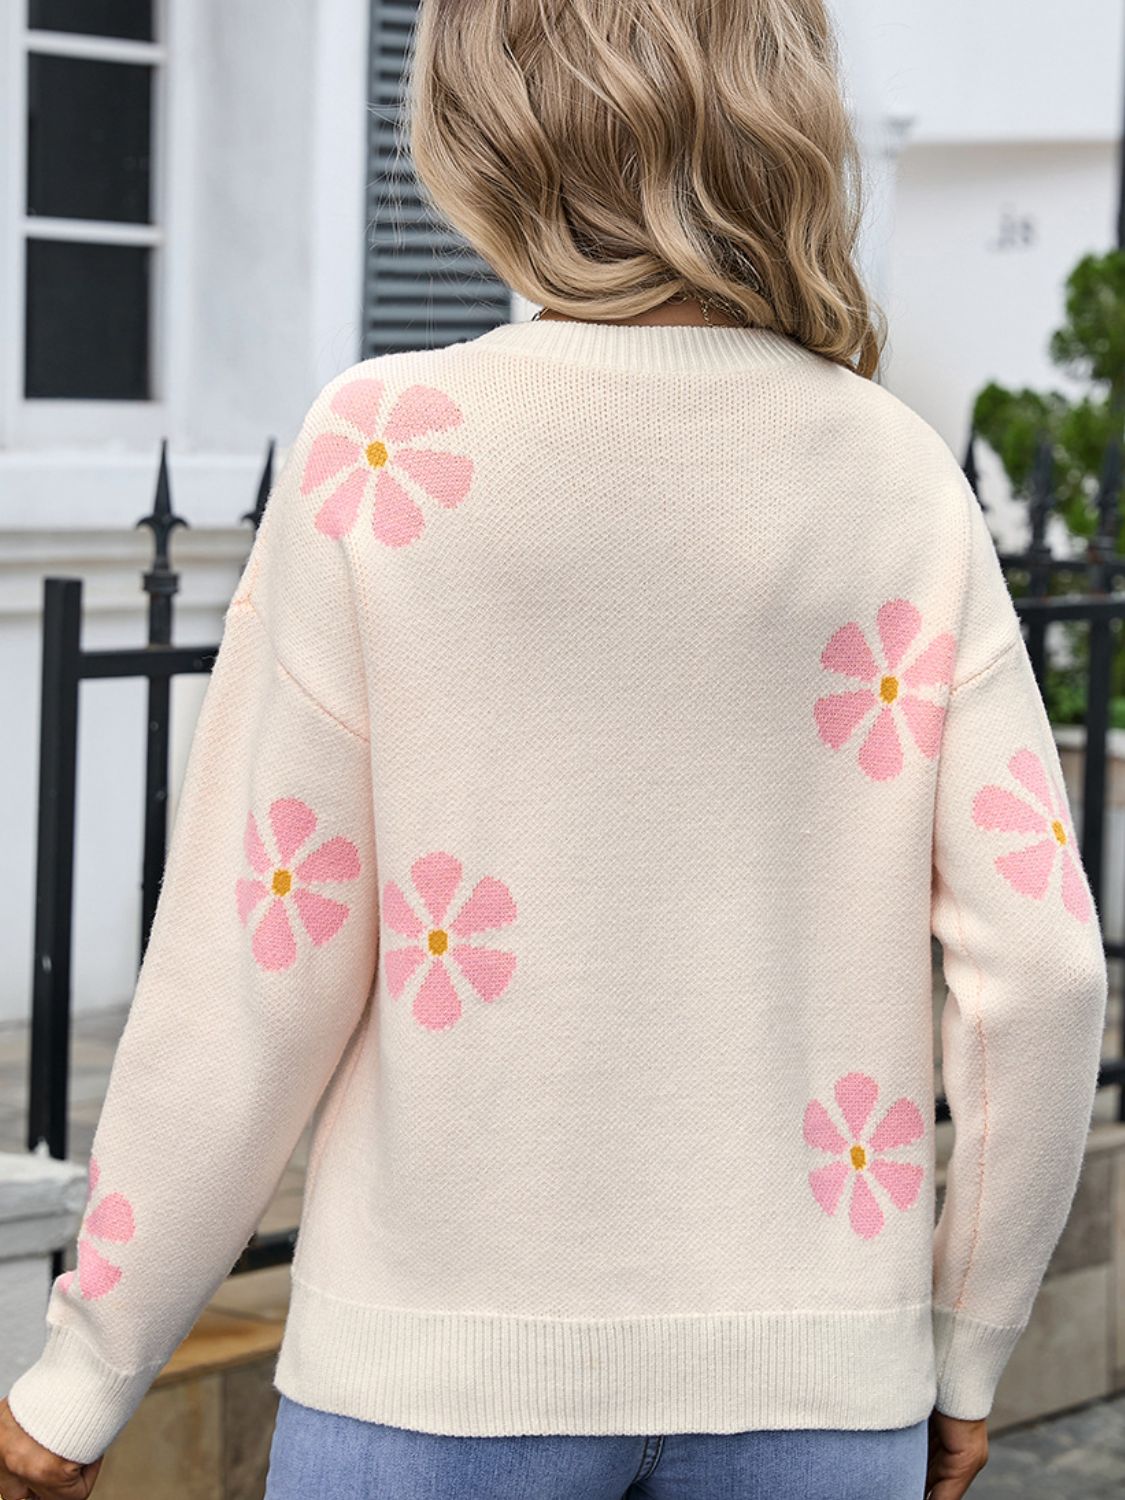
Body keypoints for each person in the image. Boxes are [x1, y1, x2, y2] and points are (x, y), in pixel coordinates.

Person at [0, 2, 1109, 1498]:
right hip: (816, 1388)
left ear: (482, 117)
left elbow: (258, 958)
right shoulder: (899, 478)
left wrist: (90, 1365)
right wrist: (967, 1344)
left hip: (429, 1380)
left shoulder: (382, 450)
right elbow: (1041, 975)